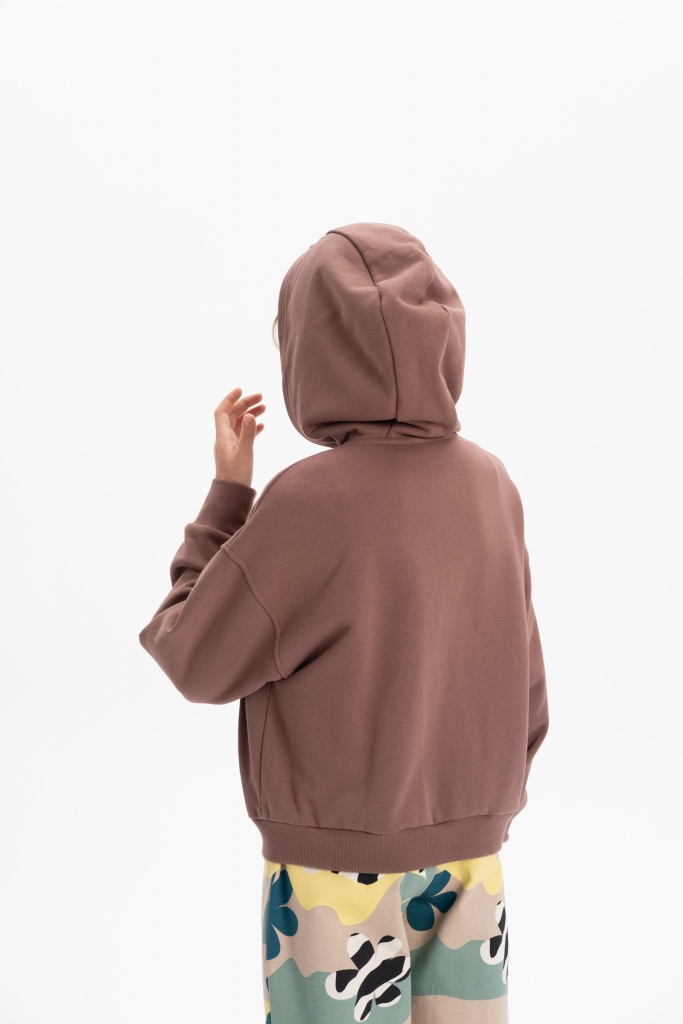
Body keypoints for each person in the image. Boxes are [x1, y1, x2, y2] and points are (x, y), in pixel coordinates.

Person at [140, 222, 549, 1024]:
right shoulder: (491, 484)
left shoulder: (309, 498)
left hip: (333, 873)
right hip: (472, 859)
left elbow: (192, 656)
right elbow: (524, 682)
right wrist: (475, 802)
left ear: (312, 355)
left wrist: (227, 495)